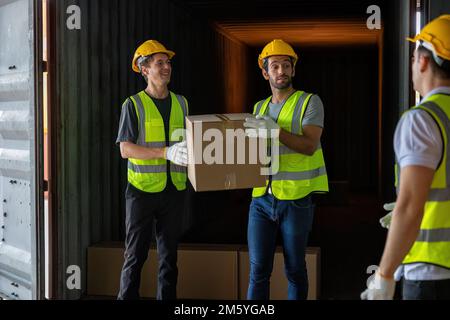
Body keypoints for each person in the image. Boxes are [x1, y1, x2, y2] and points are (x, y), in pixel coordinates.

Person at [361, 15, 450, 300]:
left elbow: (411, 208)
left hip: (430, 272)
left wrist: (384, 275)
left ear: (423, 61)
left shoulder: (422, 119)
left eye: (414, 57)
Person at [243, 39, 329, 300]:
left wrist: (275, 131)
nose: (281, 71)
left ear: (293, 70)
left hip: (296, 199)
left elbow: (309, 146)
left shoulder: (310, 102)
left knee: (294, 270)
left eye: (286, 65)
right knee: (257, 271)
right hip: (261, 199)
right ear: (265, 72)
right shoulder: (258, 108)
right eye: (275, 66)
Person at [116, 40, 189, 300]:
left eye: (168, 62)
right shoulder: (133, 105)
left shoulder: (182, 103)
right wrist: (164, 153)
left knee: (169, 259)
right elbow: (126, 149)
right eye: (160, 63)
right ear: (144, 69)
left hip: (174, 191)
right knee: (135, 256)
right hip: (142, 191)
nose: (167, 67)